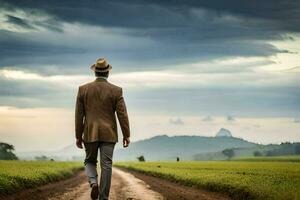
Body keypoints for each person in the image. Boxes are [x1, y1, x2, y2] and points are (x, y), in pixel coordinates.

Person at [75, 58, 130, 200]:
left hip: (89, 132)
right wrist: (126, 134)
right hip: (109, 134)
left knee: (89, 161)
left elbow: (78, 115)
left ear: (95, 72)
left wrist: (78, 135)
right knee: (107, 165)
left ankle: (93, 183)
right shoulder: (116, 91)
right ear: (108, 73)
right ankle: (104, 197)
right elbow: (122, 115)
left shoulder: (83, 90)